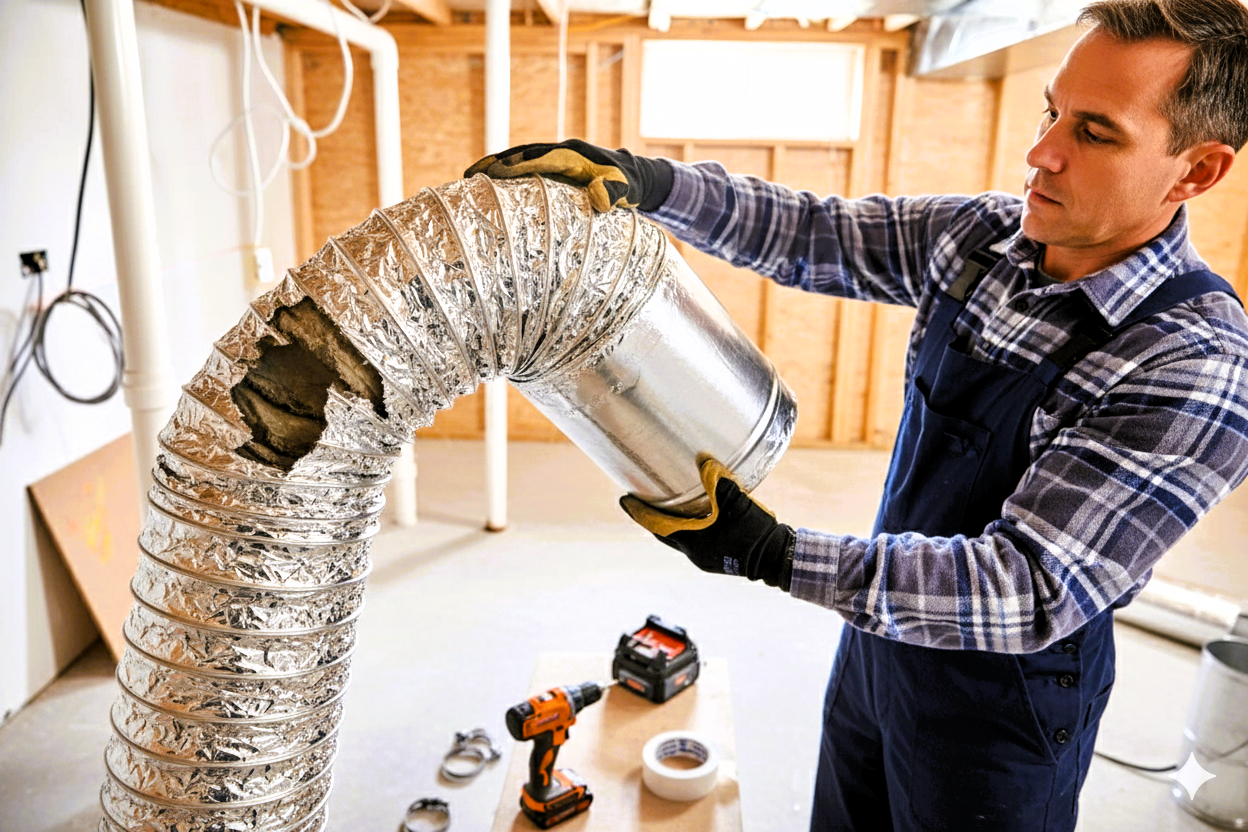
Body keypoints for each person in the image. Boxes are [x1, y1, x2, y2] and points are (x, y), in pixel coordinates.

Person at [465, 1, 1248, 829]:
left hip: (1001, 706)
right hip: (878, 647)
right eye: (1051, 110)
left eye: (1095, 134)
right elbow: (812, 231)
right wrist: (649, 181)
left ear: (1196, 171)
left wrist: (774, 555)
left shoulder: (1193, 361)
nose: (1040, 153)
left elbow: (1026, 587)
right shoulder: (984, 240)